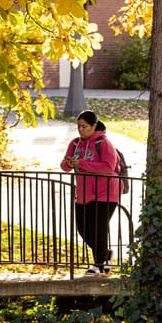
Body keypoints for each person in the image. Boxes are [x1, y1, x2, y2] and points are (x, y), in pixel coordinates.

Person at [59, 109, 121, 275]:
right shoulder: (74, 143)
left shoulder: (103, 143)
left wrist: (82, 163)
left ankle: (98, 264)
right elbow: (64, 166)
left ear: (94, 126)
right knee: (83, 229)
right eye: (79, 126)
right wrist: (70, 164)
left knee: (98, 229)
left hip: (106, 193)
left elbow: (108, 167)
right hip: (83, 193)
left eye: (84, 126)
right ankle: (105, 255)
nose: (81, 130)